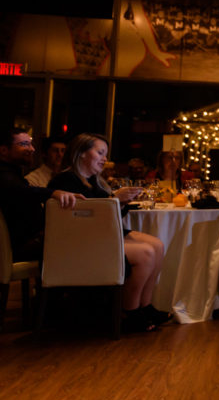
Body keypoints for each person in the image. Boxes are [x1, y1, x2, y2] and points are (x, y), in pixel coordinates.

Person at [48, 133, 170, 333]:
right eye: (100, 152)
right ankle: (128, 312)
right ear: (81, 154)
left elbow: (110, 217)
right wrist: (114, 198)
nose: (105, 158)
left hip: (100, 234)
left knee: (157, 245)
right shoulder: (66, 180)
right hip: (81, 241)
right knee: (146, 253)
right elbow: (85, 216)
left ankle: (145, 306)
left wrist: (121, 202)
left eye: (106, 154)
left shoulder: (95, 181)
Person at [0, 128, 80, 262]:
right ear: (3, 150)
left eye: (31, 144)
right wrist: (54, 192)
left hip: (28, 241)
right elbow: (22, 191)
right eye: (24, 144)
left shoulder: (12, 173)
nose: (32, 149)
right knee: (80, 242)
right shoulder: (4, 175)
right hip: (19, 247)